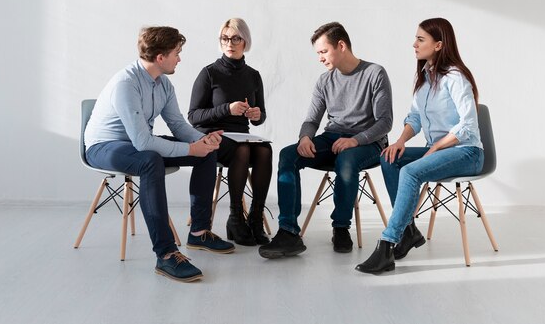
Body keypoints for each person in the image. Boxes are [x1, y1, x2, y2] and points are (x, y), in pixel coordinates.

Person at [84, 26, 235, 283]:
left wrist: (202, 141)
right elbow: (143, 143)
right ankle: (165, 254)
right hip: (104, 147)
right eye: (177, 53)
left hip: (136, 145)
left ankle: (199, 232)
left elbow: (177, 124)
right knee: (150, 160)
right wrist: (189, 148)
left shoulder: (164, 84)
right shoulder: (126, 84)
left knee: (206, 153)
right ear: (160, 57)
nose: (180, 58)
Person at [356, 17, 484, 274]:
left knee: (410, 171)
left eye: (420, 39)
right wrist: (400, 142)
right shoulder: (425, 78)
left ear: (438, 45)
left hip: (465, 151)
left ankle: (387, 243)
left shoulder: (456, 77)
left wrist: (436, 148)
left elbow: (468, 125)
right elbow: (414, 118)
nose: (414, 43)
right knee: (389, 157)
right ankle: (409, 231)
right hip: (438, 149)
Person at [258, 21, 393, 258]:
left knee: (346, 160)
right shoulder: (324, 81)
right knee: (288, 155)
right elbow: (311, 120)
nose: (320, 58)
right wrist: (305, 138)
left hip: (370, 142)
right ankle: (288, 232)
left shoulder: (374, 73)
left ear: (341, 45)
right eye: (318, 53)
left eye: (323, 51)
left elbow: (385, 122)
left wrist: (356, 140)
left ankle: (341, 227)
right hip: (332, 138)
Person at [188, 18, 272, 246]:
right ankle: (235, 218)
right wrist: (227, 109)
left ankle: (255, 218)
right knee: (242, 151)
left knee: (265, 151)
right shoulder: (209, 73)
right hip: (213, 136)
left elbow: (261, 114)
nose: (230, 43)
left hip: (241, 135)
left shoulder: (253, 75)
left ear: (245, 41)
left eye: (236, 38)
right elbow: (193, 116)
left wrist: (256, 115)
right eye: (225, 38)